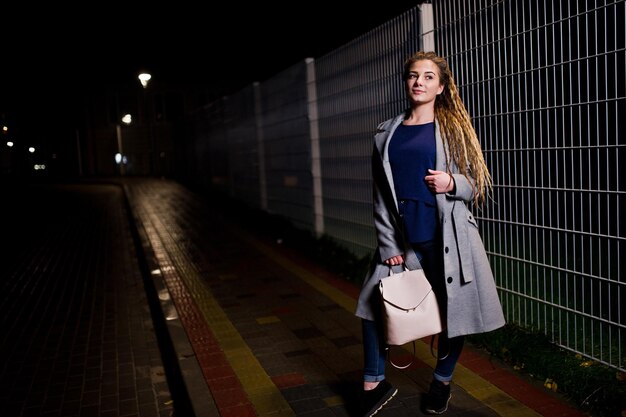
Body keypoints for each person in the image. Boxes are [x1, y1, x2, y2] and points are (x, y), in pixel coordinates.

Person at [355, 50, 506, 416]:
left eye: (427, 76)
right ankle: (373, 384)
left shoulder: (453, 129)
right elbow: (380, 195)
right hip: (404, 242)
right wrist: (388, 243)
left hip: (449, 240)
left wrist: (452, 182)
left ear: (440, 86)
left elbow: (477, 185)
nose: (418, 82)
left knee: (456, 312)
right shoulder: (386, 134)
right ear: (406, 82)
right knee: (374, 306)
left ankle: (441, 382)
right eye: (412, 75)